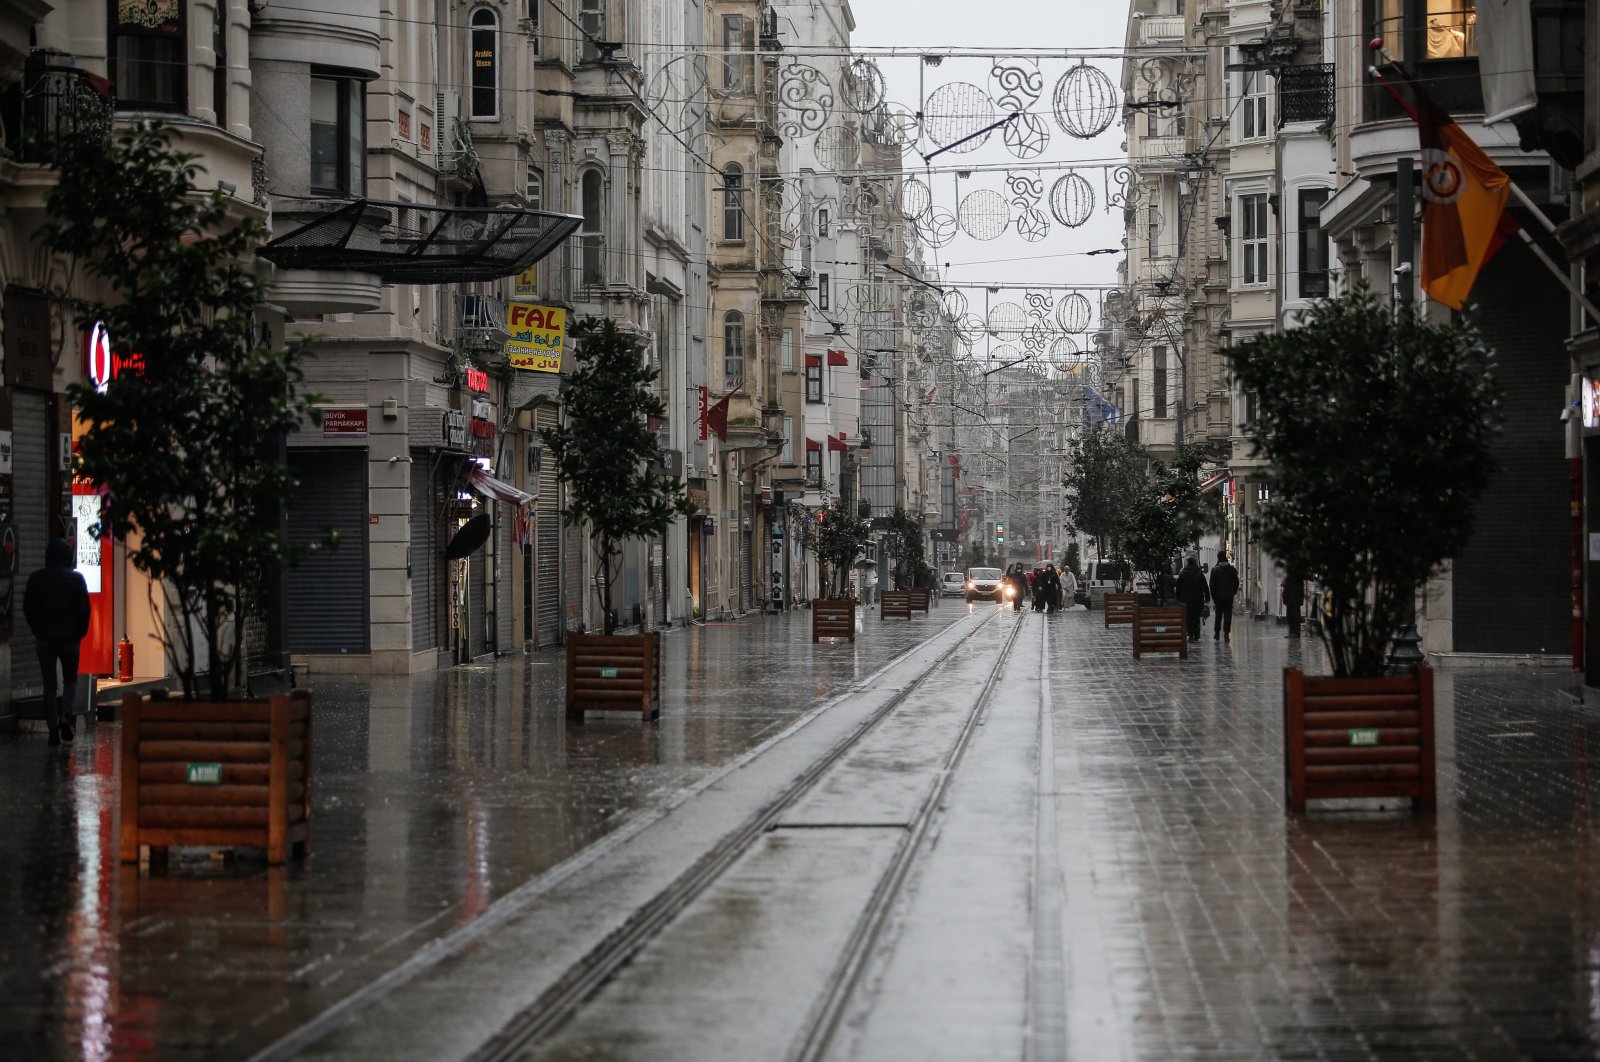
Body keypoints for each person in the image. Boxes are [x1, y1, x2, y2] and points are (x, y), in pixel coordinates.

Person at [25, 539, 90, 746]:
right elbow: (84, 610)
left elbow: (28, 608)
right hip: (70, 640)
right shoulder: (76, 579)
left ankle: (52, 729)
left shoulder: (36, 579)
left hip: (45, 639)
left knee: (49, 684)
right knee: (70, 681)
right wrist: (79, 633)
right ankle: (66, 716)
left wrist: (37, 630)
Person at [1175, 555, 1209, 642]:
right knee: (1196, 616)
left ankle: (1190, 634)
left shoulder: (1183, 573)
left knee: (1188, 617)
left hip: (1186, 600)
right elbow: (1205, 587)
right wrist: (1207, 598)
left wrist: (1178, 597)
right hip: (1198, 599)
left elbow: (1178, 586)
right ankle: (1196, 634)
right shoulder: (1200, 573)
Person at [1209, 551, 1240, 644]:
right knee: (1228, 615)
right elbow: (1236, 582)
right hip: (1229, 596)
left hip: (1218, 597)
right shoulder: (1232, 570)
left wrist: (1214, 597)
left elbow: (1212, 585)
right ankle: (1226, 634)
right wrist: (1233, 592)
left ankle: (1217, 633)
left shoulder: (1215, 570)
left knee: (1218, 615)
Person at [1283, 566, 1305, 639]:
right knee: (1290, 615)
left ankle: (1295, 633)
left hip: (1294, 597)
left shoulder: (1297, 570)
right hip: (1291, 596)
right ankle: (1292, 632)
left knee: (1294, 615)